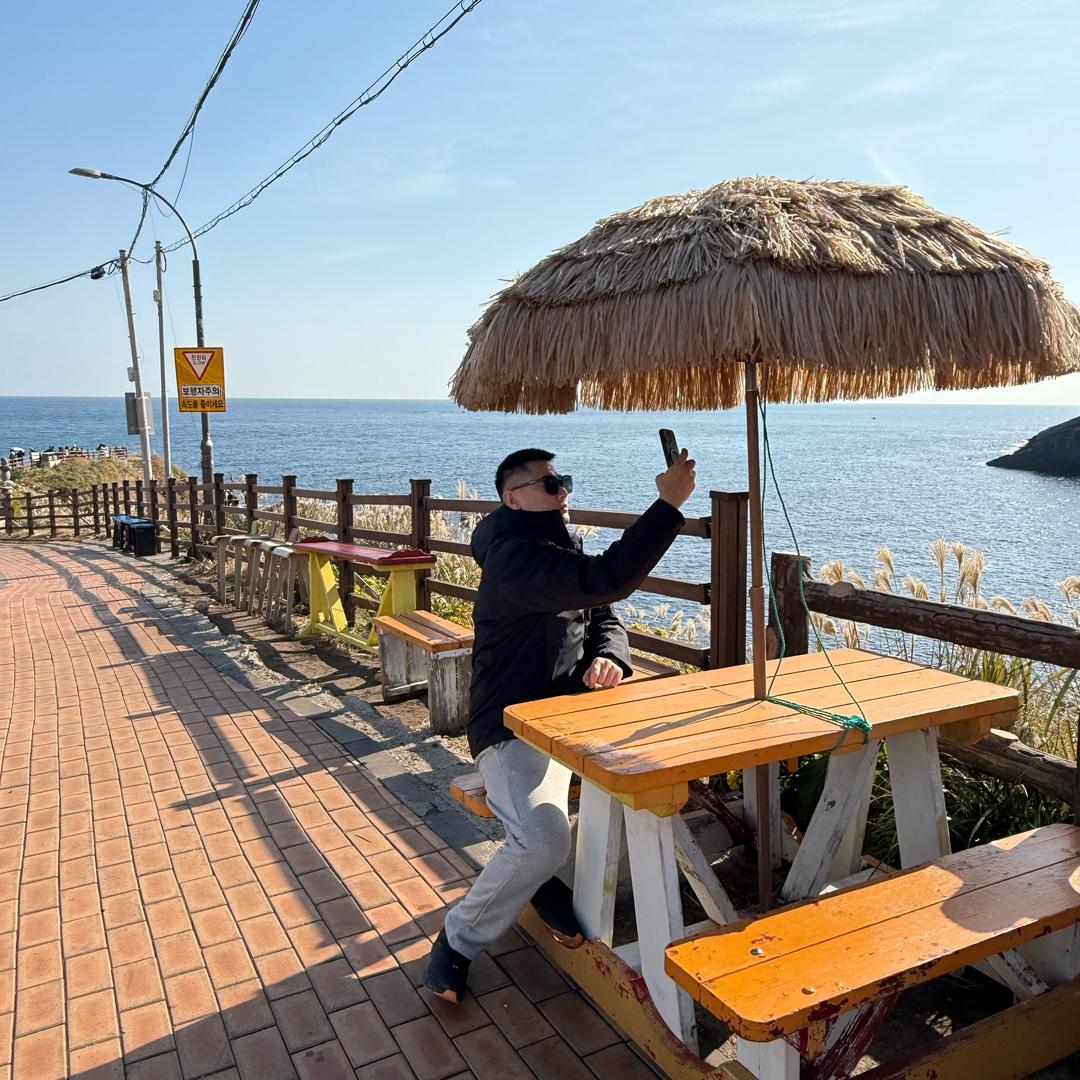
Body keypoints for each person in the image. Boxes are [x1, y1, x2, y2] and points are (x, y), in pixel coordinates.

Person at [424, 445, 696, 1003]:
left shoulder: (554, 545)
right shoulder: (514, 558)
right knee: (544, 840)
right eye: (551, 484)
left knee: (659, 783)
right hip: (513, 728)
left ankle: (543, 884)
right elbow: (607, 579)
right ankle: (455, 941)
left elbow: (604, 615)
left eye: (564, 480)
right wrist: (667, 506)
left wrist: (612, 658)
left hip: (576, 718)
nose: (563, 491)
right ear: (514, 498)